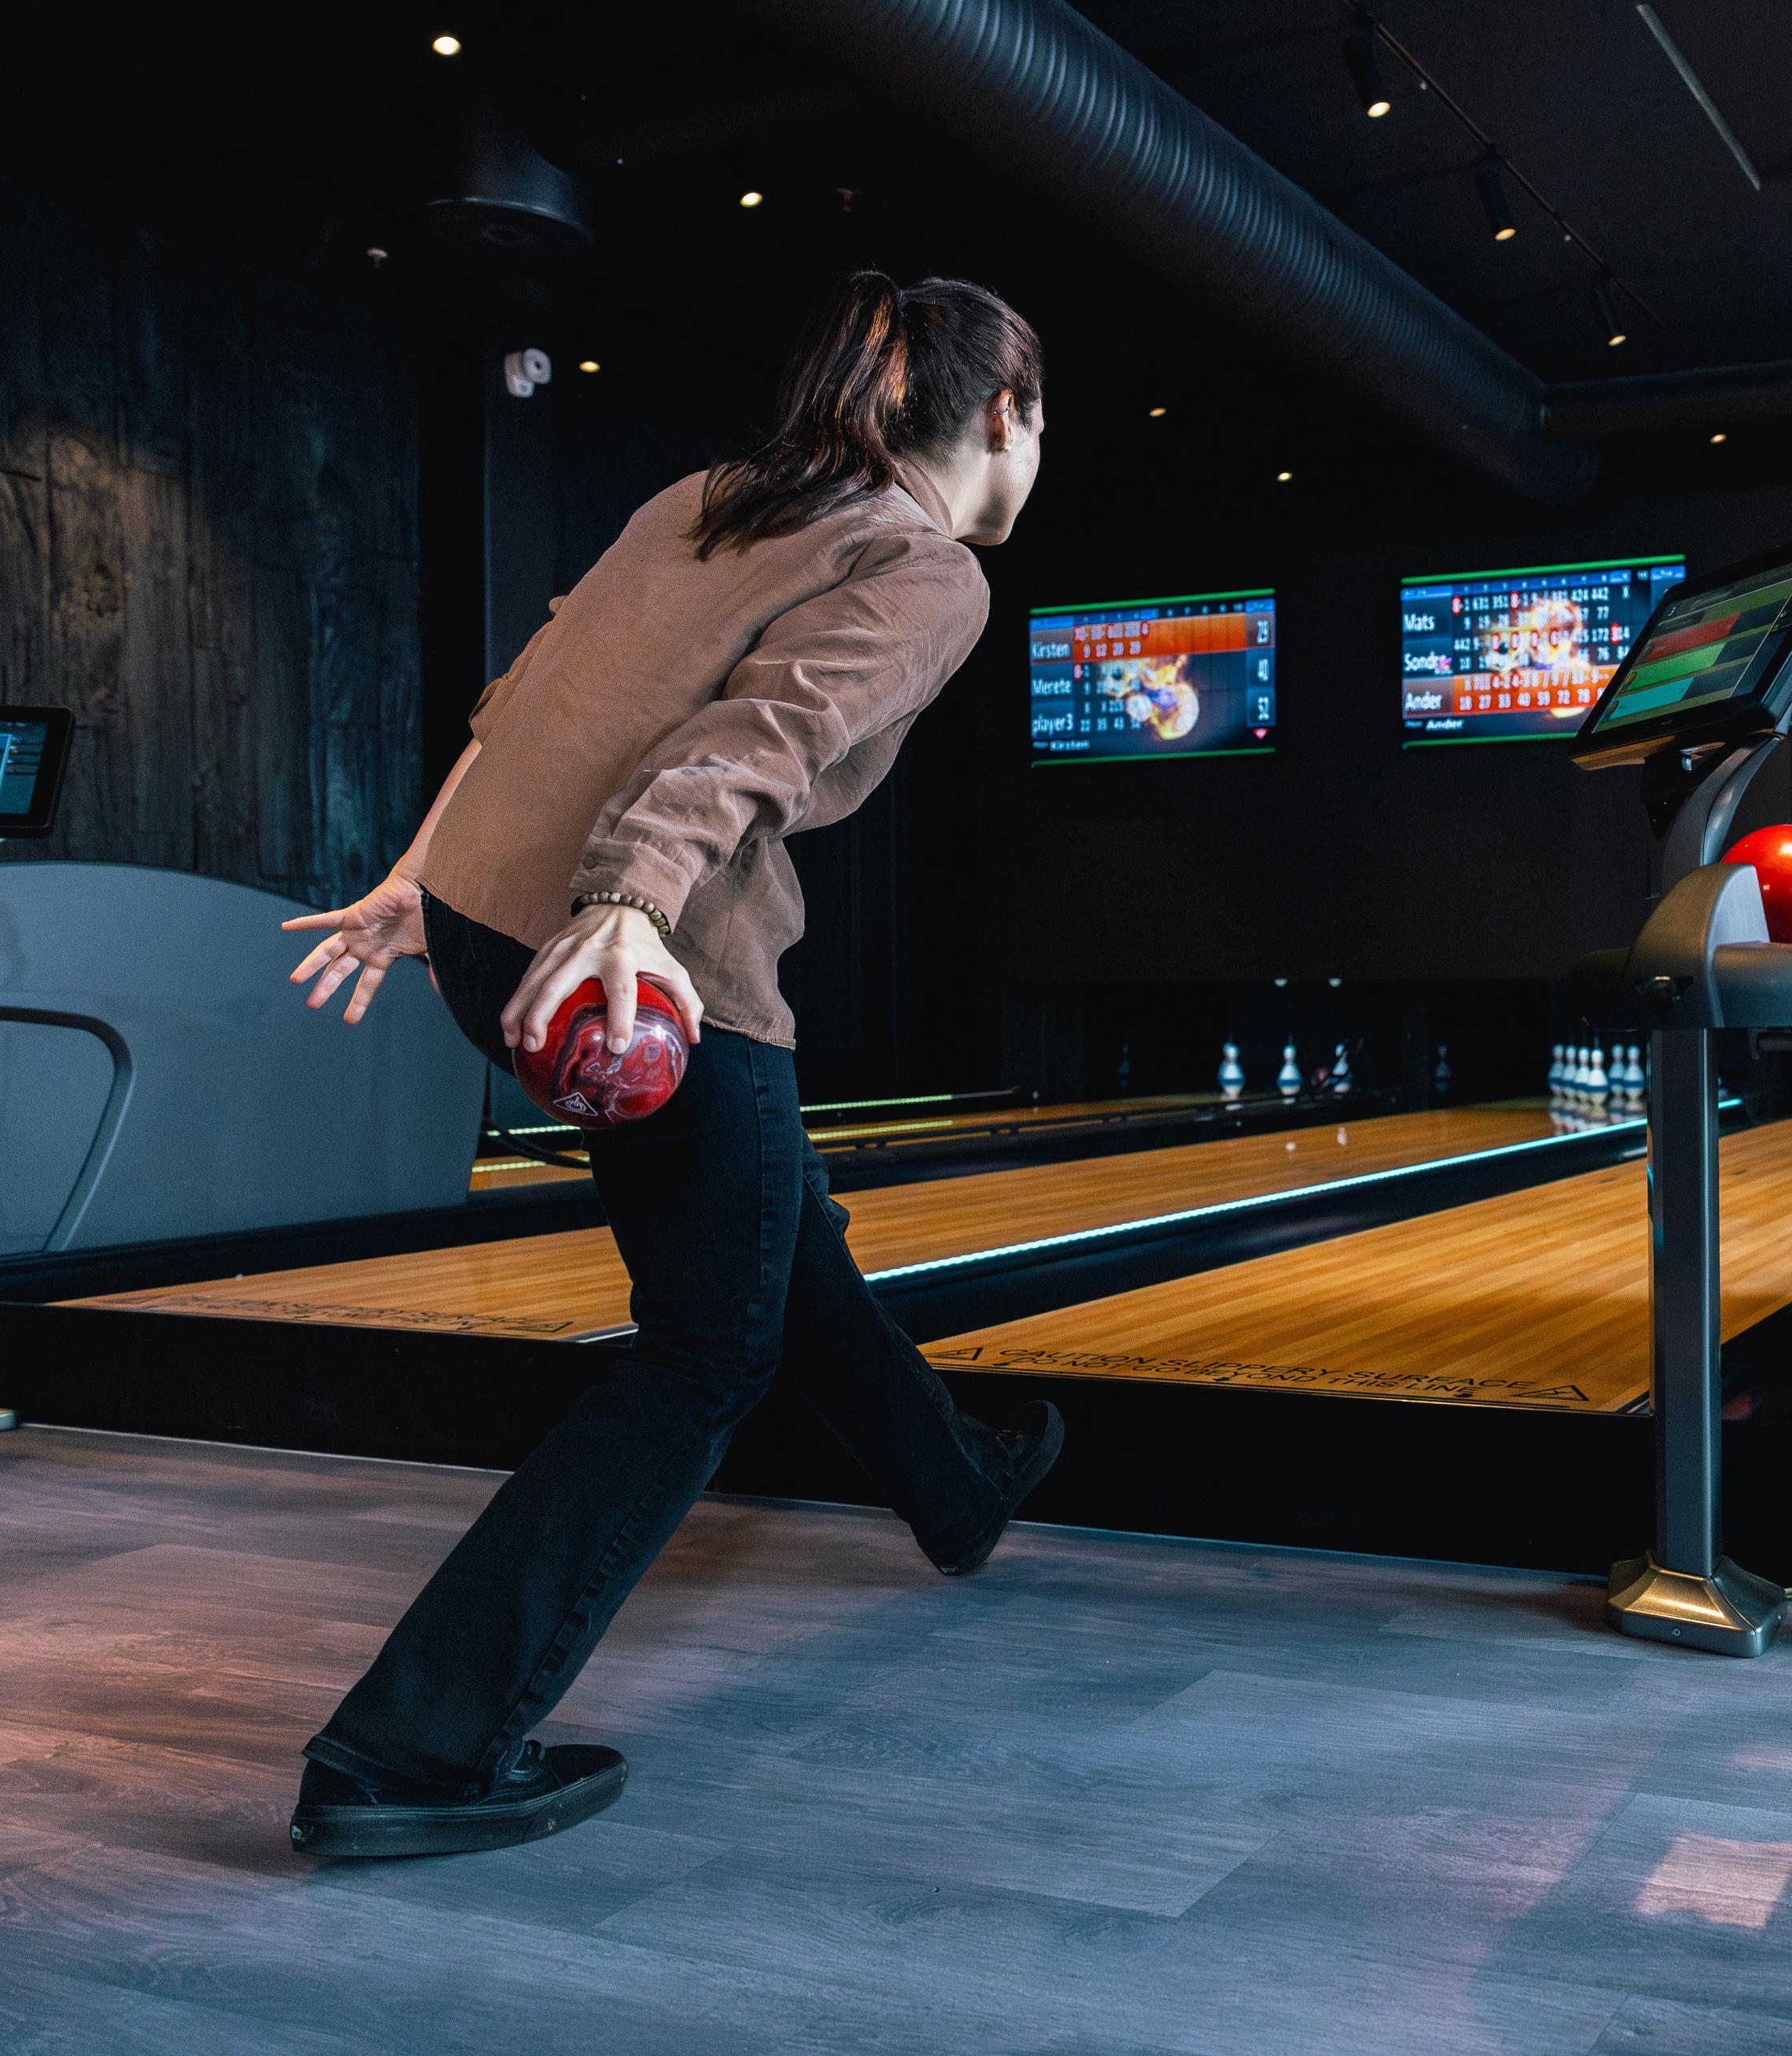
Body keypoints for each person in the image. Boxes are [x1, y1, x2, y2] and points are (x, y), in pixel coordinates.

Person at [276, 273, 1067, 1858]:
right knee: (710, 1346)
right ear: (1002, 416)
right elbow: (752, 745)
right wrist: (633, 903)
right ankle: (411, 1749)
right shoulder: (924, 569)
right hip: (637, 957)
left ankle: (958, 1483)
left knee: (772, 1235)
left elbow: (525, 698)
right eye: (1044, 424)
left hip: (492, 921)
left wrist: (413, 880)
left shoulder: (715, 496)